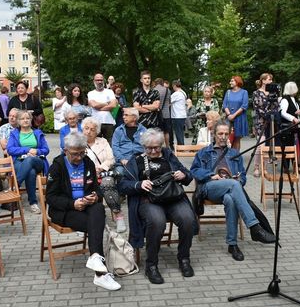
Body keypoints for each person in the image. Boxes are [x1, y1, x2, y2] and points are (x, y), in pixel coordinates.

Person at [190, 120, 276, 262]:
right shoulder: (204, 152)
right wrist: (211, 175)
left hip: (230, 191)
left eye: (226, 133)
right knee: (233, 185)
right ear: (214, 134)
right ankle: (254, 227)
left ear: (230, 134)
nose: (223, 136)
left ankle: (232, 245)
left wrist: (239, 179)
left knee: (231, 198)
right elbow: (194, 171)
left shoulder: (235, 154)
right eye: (220, 133)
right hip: (210, 187)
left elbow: (242, 177)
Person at [118, 128, 195, 284]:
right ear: (144, 147)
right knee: (157, 222)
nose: (153, 151)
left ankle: (184, 258)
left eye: (157, 147)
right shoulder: (137, 160)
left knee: (188, 219)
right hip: (148, 200)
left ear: (162, 145)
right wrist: (139, 184)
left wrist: (183, 175)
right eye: (149, 148)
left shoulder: (169, 156)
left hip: (173, 198)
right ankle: (151, 265)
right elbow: (122, 185)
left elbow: (188, 174)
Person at [46, 132, 121, 291]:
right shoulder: (57, 166)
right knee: (96, 224)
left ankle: (96, 261)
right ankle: (101, 273)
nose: (79, 157)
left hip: (87, 207)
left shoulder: (87, 162)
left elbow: (97, 189)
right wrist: (73, 204)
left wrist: (95, 197)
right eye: (75, 154)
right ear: (65, 150)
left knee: (98, 208)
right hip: (65, 211)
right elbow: (51, 198)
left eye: (82, 152)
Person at [81, 117, 126, 233]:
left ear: (97, 131)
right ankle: (81, 221)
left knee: (108, 182)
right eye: (86, 128)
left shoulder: (103, 142)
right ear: (82, 129)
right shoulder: (77, 142)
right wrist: (89, 170)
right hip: (83, 175)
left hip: (102, 173)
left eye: (92, 129)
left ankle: (118, 215)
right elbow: (73, 160)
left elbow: (111, 159)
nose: (89, 131)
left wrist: (100, 168)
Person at [6, 110, 50, 214]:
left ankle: (14, 186)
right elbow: (10, 149)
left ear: (31, 120)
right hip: (20, 161)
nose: (25, 120)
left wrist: (37, 151)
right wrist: (27, 150)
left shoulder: (38, 133)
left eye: (27, 118)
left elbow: (46, 150)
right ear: (18, 121)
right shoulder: (14, 134)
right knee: (31, 172)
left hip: (37, 160)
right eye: (22, 118)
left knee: (30, 160)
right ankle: (33, 203)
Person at [252, 73, 278, 177]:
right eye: (269, 79)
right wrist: (266, 115)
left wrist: (272, 115)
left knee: (268, 145)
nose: (271, 81)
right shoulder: (256, 93)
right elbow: (257, 107)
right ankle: (256, 167)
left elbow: (276, 106)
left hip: (271, 121)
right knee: (260, 145)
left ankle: (264, 168)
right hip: (260, 121)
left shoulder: (273, 93)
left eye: (271, 79)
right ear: (263, 80)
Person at [280, 81, 300, 174]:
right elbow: (283, 112)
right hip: (288, 127)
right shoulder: (285, 100)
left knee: (297, 146)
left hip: (296, 127)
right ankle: (286, 166)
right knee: (287, 146)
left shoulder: (295, 99)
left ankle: (298, 165)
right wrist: (293, 118)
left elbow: (299, 109)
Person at [87, 73, 118, 143]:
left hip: (109, 121)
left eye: (101, 80)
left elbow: (113, 105)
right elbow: (94, 105)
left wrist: (99, 107)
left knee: (109, 143)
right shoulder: (90, 93)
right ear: (94, 81)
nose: (99, 82)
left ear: (103, 81)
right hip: (95, 122)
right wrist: (106, 103)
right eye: (97, 80)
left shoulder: (110, 92)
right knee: (96, 143)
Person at [223, 76, 249, 150]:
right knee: (227, 138)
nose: (230, 82)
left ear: (237, 82)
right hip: (229, 118)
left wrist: (234, 115)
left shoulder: (244, 92)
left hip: (239, 118)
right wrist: (229, 115)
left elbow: (244, 105)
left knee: (237, 138)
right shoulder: (228, 92)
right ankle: (227, 156)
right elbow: (225, 105)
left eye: (232, 81)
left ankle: (236, 157)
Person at [153, 78, 172, 148]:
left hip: (157, 114)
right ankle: (167, 147)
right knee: (166, 132)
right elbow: (170, 102)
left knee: (158, 132)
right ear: (162, 83)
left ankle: (159, 147)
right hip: (166, 114)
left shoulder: (153, 90)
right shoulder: (168, 90)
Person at [170, 80, 187, 146]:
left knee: (178, 132)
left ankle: (181, 147)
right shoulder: (183, 93)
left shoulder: (176, 94)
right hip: (182, 115)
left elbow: (169, 102)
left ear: (174, 86)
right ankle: (181, 145)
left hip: (177, 115)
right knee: (181, 132)